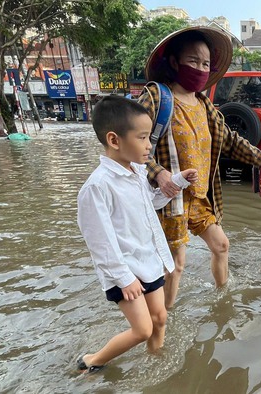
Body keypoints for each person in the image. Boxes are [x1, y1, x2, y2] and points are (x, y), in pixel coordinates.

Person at [138, 27, 261, 309]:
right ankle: (163, 319)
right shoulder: (158, 97)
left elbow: (233, 142)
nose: (200, 69)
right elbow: (127, 142)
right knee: (176, 264)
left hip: (200, 197)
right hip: (170, 200)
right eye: (193, 61)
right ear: (173, 62)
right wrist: (159, 173)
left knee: (221, 245)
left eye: (206, 64)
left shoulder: (207, 107)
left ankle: (223, 302)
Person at [76, 96, 198, 372]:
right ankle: (92, 361)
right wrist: (123, 278)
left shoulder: (137, 173)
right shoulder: (98, 186)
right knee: (142, 329)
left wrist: (177, 181)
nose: (148, 146)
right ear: (114, 140)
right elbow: (99, 240)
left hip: (147, 261)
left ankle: (155, 363)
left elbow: (150, 205)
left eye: (149, 137)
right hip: (124, 269)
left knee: (160, 317)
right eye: (142, 137)